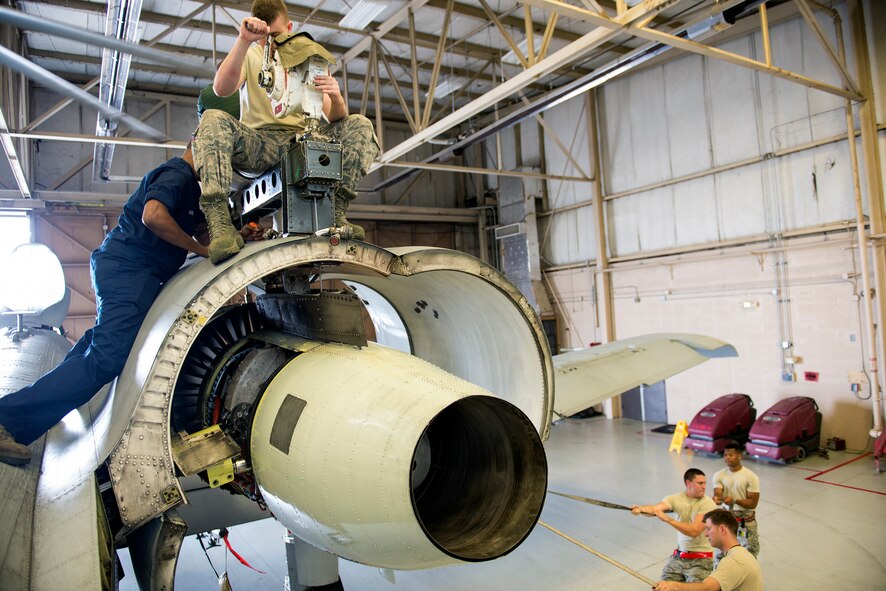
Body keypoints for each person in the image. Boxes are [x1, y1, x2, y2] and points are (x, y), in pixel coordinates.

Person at [0, 146, 262, 466]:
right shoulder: (177, 175)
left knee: (98, 344)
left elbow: (206, 236)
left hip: (132, 271)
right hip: (131, 270)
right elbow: (153, 216)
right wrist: (199, 250)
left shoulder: (193, 190)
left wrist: (237, 236)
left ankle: (56, 400)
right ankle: (7, 420)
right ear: (201, 146)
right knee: (107, 359)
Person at [193, 0, 379, 264]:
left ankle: (336, 211)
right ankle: (220, 224)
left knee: (360, 125)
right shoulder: (252, 55)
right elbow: (222, 89)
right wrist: (244, 40)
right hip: (261, 144)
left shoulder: (307, 57)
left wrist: (336, 96)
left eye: (278, 36)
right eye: (266, 38)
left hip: (305, 142)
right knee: (212, 119)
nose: (273, 44)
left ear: (290, 28)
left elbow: (337, 117)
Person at [632, 468, 718, 583]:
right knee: (663, 587)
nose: (704, 487)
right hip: (679, 557)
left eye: (704, 483)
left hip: (701, 560)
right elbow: (655, 509)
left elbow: (694, 531)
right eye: (700, 483)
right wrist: (640, 509)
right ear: (688, 483)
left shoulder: (708, 503)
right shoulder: (676, 498)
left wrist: (668, 520)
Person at [653, 509, 764, 591]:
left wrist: (674, 586)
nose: (706, 534)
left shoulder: (734, 561)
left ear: (722, 529)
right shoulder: (742, 555)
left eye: (708, 529)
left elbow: (707, 588)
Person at [713, 441, 761, 556]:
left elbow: (753, 503)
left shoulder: (750, 476)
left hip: (745, 522)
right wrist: (717, 499)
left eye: (731, 455)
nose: (727, 458)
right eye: (725, 455)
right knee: (722, 553)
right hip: (726, 520)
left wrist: (734, 500)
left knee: (749, 553)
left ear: (739, 456)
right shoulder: (719, 475)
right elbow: (717, 494)